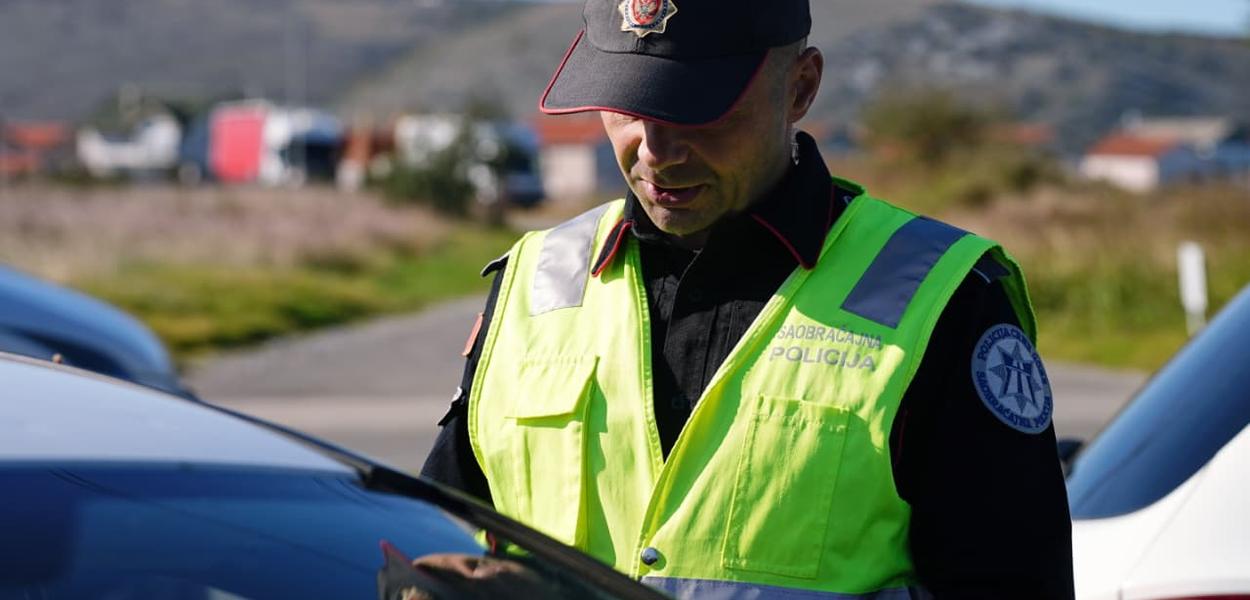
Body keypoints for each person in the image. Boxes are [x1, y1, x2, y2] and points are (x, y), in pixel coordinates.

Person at [422, 0, 1074, 597]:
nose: (655, 150)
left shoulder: (944, 300)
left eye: (697, 107)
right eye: (626, 104)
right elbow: (437, 541)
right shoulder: (535, 279)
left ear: (801, 87)